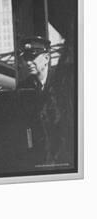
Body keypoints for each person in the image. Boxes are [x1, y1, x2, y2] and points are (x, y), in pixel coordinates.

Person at [17, 36, 74, 167]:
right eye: (25, 58)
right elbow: (25, 126)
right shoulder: (23, 88)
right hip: (39, 157)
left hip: (65, 156)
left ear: (47, 58)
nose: (28, 62)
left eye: (32, 57)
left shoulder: (63, 83)